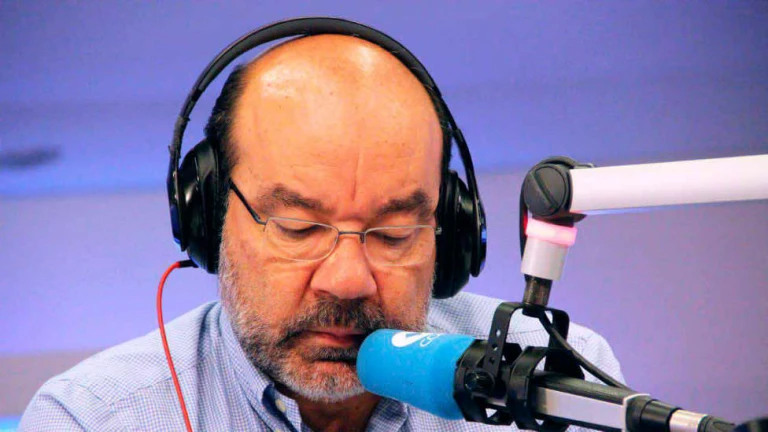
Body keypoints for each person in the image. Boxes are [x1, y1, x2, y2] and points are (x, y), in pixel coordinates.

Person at [20, 26, 623, 432]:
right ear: (209, 220)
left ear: (452, 236)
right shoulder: (91, 419)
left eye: (393, 233)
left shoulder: (554, 384)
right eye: (299, 227)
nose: (347, 280)